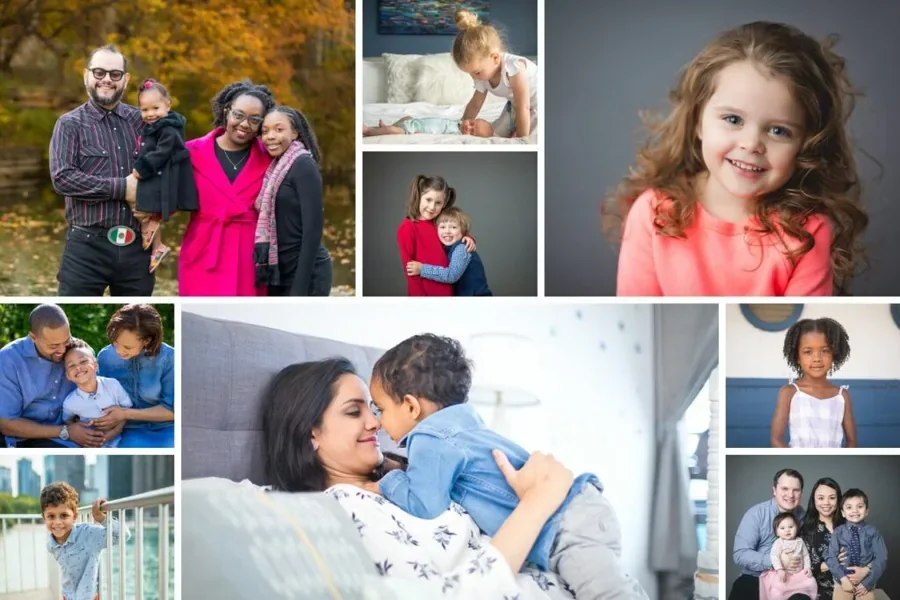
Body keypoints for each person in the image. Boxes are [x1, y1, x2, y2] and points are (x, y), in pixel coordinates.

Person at [261, 358, 581, 599]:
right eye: (353, 411)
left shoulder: (415, 472)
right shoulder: (341, 509)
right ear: (310, 431)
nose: (376, 423)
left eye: (375, 409)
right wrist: (536, 504)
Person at [368, 334, 647, 599]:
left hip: (564, 525)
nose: (377, 422)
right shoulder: (465, 423)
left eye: (380, 409)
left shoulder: (429, 438)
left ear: (410, 407)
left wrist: (387, 481)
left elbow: (425, 506)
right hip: (577, 509)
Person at [604, 22, 868, 296]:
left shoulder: (808, 233)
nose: (752, 144)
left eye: (778, 131)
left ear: (806, 144)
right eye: (733, 119)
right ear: (698, 121)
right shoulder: (653, 213)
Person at [49, 44, 153, 296]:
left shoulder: (143, 122)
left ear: (125, 80)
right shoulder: (69, 124)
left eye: (115, 74)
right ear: (87, 75)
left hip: (137, 248)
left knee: (136, 318)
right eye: (99, 72)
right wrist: (123, 187)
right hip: (85, 248)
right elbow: (63, 178)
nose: (106, 79)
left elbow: (166, 167)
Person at [178, 80, 275, 296]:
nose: (244, 124)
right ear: (226, 112)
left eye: (254, 119)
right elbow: (166, 200)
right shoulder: (190, 152)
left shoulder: (271, 158)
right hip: (202, 250)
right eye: (238, 115)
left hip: (250, 255)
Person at [0, 304, 121, 448]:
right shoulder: (8, 360)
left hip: (71, 435)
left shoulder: (80, 352)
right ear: (33, 337)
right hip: (22, 438)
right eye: (53, 346)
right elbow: (7, 424)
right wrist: (65, 431)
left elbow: (96, 395)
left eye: (66, 341)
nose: (63, 350)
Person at [257, 107, 332, 296]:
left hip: (306, 271)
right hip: (278, 269)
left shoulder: (303, 165)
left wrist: (300, 286)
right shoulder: (275, 169)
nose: (270, 136)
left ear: (295, 133)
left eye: (279, 129)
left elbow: (313, 231)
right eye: (265, 131)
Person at [131, 78, 199, 273]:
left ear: (167, 105)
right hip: (157, 172)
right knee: (147, 211)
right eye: (145, 110)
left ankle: (157, 244)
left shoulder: (169, 127)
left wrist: (143, 167)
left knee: (147, 208)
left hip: (164, 174)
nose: (150, 114)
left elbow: (163, 151)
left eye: (155, 108)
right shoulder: (156, 125)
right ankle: (156, 246)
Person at [95, 304, 175, 447]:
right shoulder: (105, 357)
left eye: (127, 347)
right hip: (125, 429)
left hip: (167, 428)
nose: (119, 351)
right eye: (115, 342)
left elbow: (173, 411)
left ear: (147, 340)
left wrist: (125, 413)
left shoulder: (169, 359)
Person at [771, 318, 857, 448]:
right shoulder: (789, 392)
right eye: (808, 352)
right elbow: (776, 439)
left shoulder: (842, 396)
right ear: (797, 357)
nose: (817, 358)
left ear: (834, 353)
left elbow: (852, 441)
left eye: (825, 351)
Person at [453, 10, 539, 138]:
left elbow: (524, 107)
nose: (473, 77)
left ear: (495, 58)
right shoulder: (482, 75)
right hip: (515, 105)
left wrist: (522, 139)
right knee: (496, 132)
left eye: (476, 72)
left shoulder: (514, 68)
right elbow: (475, 103)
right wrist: (461, 124)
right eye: (470, 73)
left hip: (539, 102)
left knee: (531, 133)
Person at [729, 469, 809, 600]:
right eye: (785, 488)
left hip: (791, 580)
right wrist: (777, 561)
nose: (790, 494)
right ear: (774, 490)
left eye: (796, 490)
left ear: (801, 493)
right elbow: (740, 554)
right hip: (755, 577)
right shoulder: (756, 514)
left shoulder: (802, 516)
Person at [41, 482, 128, 600]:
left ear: (75, 516)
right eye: (51, 516)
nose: (57, 522)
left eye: (64, 515)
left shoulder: (88, 535)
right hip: (68, 596)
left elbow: (123, 535)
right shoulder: (51, 545)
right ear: (44, 517)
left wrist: (101, 518)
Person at [397, 175, 474, 296]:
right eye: (428, 200)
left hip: (449, 291)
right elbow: (410, 272)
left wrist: (468, 238)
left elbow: (456, 233)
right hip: (425, 295)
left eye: (438, 203)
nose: (432, 207)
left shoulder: (439, 222)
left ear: (444, 204)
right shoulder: (408, 228)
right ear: (419, 197)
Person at [61, 339, 133, 448]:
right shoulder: (70, 403)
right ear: (68, 376)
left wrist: (117, 429)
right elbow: (68, 422)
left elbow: (127, 410)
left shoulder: (113, 385)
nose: (78, 367)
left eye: (83, 361)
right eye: (71, 365)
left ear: (95, 365)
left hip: (119, 442)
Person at [406, 207, 492, 295]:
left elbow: (451, 275)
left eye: (453, 227)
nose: (447, 231)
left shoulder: (461, 249)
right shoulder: (446, 246)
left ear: (463, 231)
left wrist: (422, 269)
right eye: (442, 227)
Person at [825, 489, 888, 600]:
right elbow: (831, 557)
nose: (854, 511)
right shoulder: (838, 532)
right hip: (842, 579)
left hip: (866, 580)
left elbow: (881, 558)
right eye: (849, 507)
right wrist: (843, 579)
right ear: (843, 513)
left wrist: (867, 583)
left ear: (867, 510)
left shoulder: (873, 531)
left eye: (860, 506)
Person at [760, 513, 817, 600]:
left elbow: (805, 555)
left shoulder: (800, 541)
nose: (787, 530)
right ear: (776, 532)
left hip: (799, 573)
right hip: (785, 573)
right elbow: (774, 556)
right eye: (782, 528)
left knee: (810, 581)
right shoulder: (779, 543)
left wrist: (807, 568)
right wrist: (780, 569)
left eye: (791, 527)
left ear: (797, 528)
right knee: (779, 588)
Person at [363, 116, 494, 137]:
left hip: (413, 129)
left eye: (472, 132)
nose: (468, 128)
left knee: (393, 131)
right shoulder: (457, 122)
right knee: (406, 117)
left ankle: (369, 131)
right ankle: (384, 127)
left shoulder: (456, 134)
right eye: (471, 124)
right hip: (415, 122)